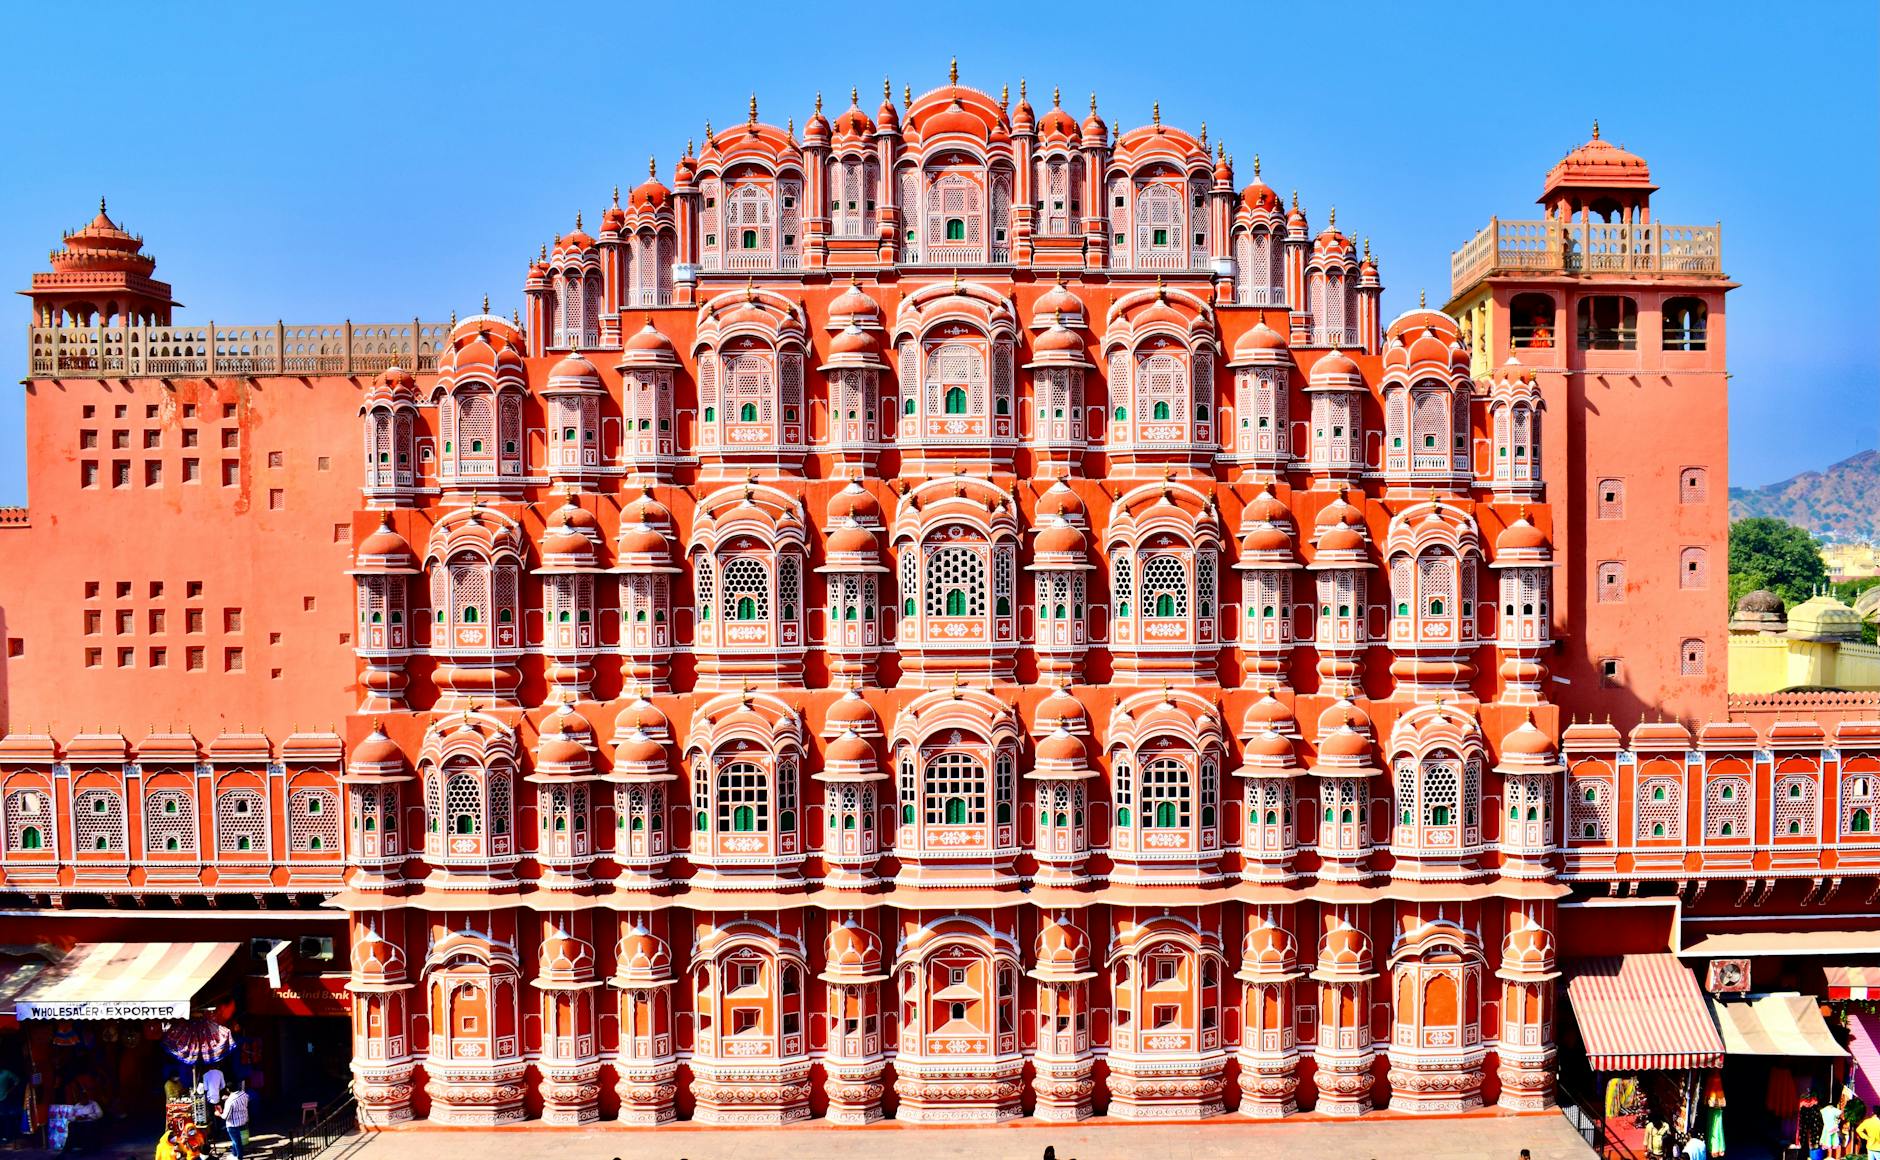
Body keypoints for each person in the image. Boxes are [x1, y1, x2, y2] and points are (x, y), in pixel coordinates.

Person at [220, 1080, 250, 1160]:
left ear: (228, 1090)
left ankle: (239, 1157)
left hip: (233, 1124)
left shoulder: (230, 1101)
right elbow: (245, 1101)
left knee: (237, 1141)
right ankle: (234, 1154)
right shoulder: (244, 1094)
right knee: (235, 1140)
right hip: (243, 1120)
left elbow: (225, 1116)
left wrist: (218, 1114)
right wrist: (228, 1098)